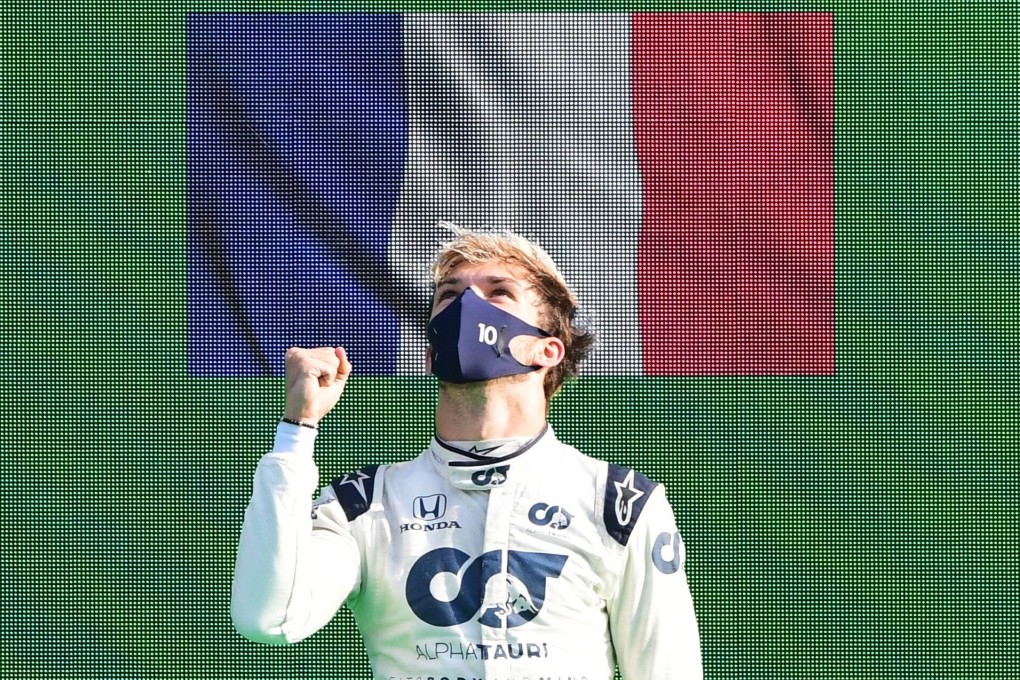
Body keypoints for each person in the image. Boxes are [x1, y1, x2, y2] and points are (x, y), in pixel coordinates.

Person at [231, 227, 704, 679]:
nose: (467, 306)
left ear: (548, 351)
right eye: (449, 296)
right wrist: (297, 431)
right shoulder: (367, 503)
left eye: (498, 292)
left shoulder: (619, 503)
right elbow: (270, 617)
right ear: (433, 353)